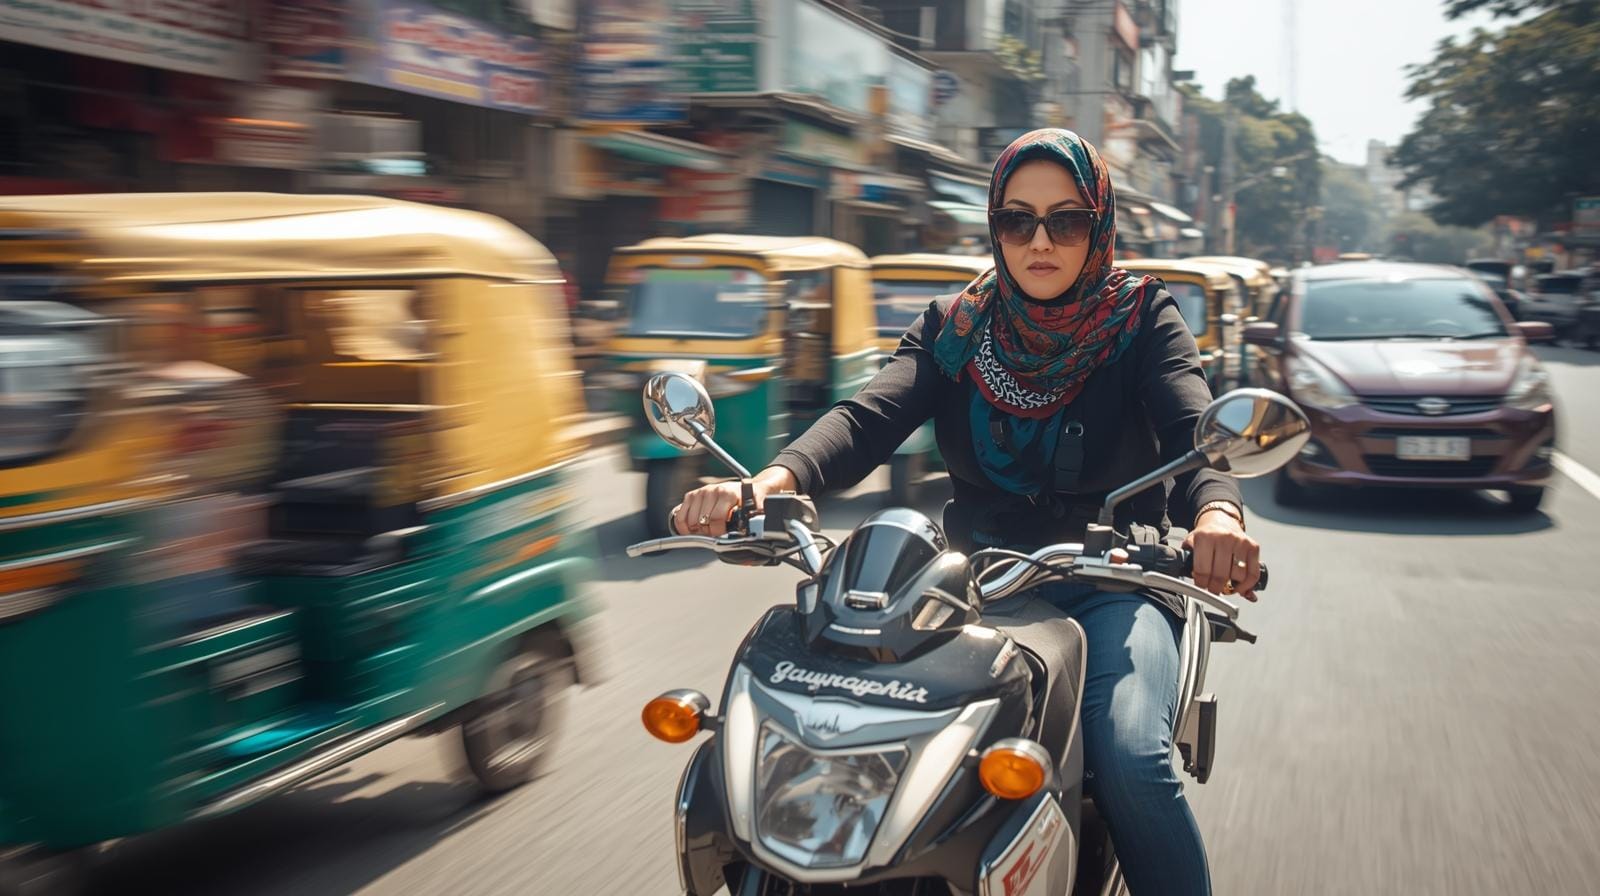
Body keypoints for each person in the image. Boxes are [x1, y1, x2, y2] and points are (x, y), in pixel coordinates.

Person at [673, 129, 1260, 895]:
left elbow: (1195, 435)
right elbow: (867, 419)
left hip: (1111, 580)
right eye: (1018, 221)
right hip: (967, 588)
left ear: (1100, 226)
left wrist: (1218, 517)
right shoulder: (958, 325)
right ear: (994, 226)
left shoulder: (1143, 320)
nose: (1039, 241)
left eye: (1067, 221)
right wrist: (769, 482)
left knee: (1129, 755)